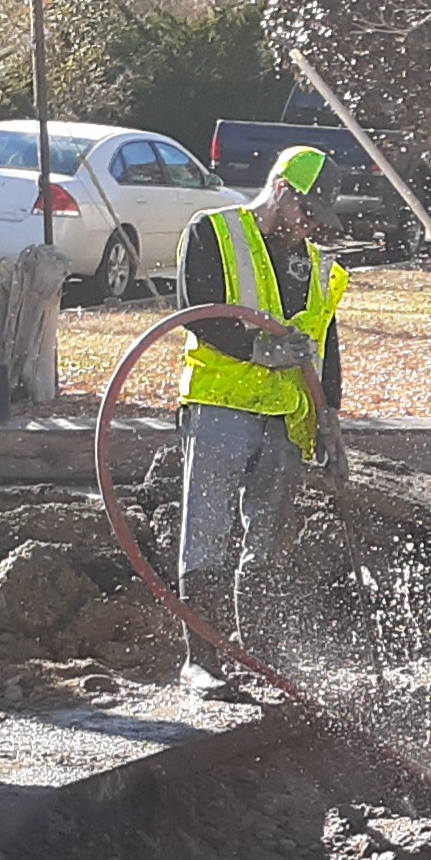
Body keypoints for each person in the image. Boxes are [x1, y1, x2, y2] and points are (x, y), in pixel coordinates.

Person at [174, 146, 348, 698]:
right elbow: (197, 308)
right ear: (281, 191)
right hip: (221, 408)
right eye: (308, 211)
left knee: (267, 544)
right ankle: (200, 660)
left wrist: (331, 419)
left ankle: (261, 655)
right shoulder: (215, 232)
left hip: (286, 421)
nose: (312, 225)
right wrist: (256, 349)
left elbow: (327, 345)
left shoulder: (313, 263)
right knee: (207, 535)